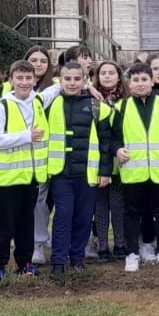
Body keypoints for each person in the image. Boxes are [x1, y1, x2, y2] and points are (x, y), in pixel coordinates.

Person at [114, 61, 159, 271]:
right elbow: (113, 138)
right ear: (129, 83)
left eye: (144, 79)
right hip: (134, 171)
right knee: (132, 214)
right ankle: (131, 253)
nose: (140, 84)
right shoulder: (122, 107)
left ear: (152, 80)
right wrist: (117, 150)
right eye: (135, 80)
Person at [45, 61, 114, 278]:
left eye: (77, 79)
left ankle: (77, 258)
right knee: (63, 216)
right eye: (67, 79)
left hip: (87, 173)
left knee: (84, 218)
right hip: (61, 173)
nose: (72, 83)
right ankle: (58, 261)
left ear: (84, 80)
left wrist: (105, 171)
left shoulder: (97, 107)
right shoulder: (50, 104)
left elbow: (105, 143)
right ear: (60, 80)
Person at [0, 59, 48, 284]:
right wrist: (25, 136)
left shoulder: (37, 102)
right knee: (5, 225)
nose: (24, 82)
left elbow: (57, 88)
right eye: (19, 78)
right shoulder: (2, 106)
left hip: (30, 177)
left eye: (28, 78)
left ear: (35, 80)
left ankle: (25, 263)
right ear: (10, 80)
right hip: (6, 178)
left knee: (26, 224)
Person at [91, 61, 128, 260]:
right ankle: (102, 245)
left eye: (111, 73)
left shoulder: (127, 100)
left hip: (120, 160)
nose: (107, 76)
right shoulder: (91, 99)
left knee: (118, 205)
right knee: (100, 207)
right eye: (103, 73)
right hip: (97, 161)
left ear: (118, 76)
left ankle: (120, 243)